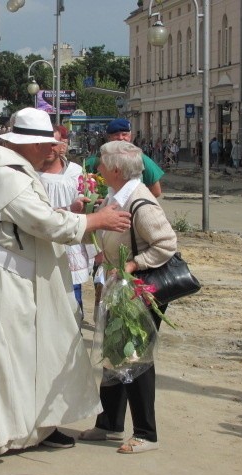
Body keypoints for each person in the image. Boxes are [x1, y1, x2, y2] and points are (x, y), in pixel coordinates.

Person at [0, 108, 132, 470]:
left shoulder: (16, 171)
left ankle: (35, 427)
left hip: (19, 278)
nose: (52, 151)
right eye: (46, 144)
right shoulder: (4, 176)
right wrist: (93, 220)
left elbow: (35, 221)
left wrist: (79, 220)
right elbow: (41, 221)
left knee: (30, 355)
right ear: (29, 144)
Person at [79, 140, 176, 454]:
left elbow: (165, 244)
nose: (98, 168)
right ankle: (109, 424)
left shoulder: (139, 201)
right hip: (119, 286)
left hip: (139, 290)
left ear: (116, 169)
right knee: (115, 354)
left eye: (103, 163)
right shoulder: (116, 195)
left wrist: (132, 264)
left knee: (137, 359)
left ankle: (146, 433)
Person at [38, 125, 94, 322]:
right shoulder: (30, 174)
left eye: (55, 143)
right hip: (41, 243)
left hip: (70, 243)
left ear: (62, 144)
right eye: (46, 144)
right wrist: (69, 208)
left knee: (73, 297)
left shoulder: (76, 172)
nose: (51, 148)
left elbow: (86, 205)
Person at [85, 119, 164, 198]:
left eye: (124, 134)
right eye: (116, 134)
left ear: (130, 137)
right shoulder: (95, 161)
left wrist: (132, 204)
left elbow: (156, 191)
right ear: (109, 137)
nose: (120, 138)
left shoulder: (140, 159)